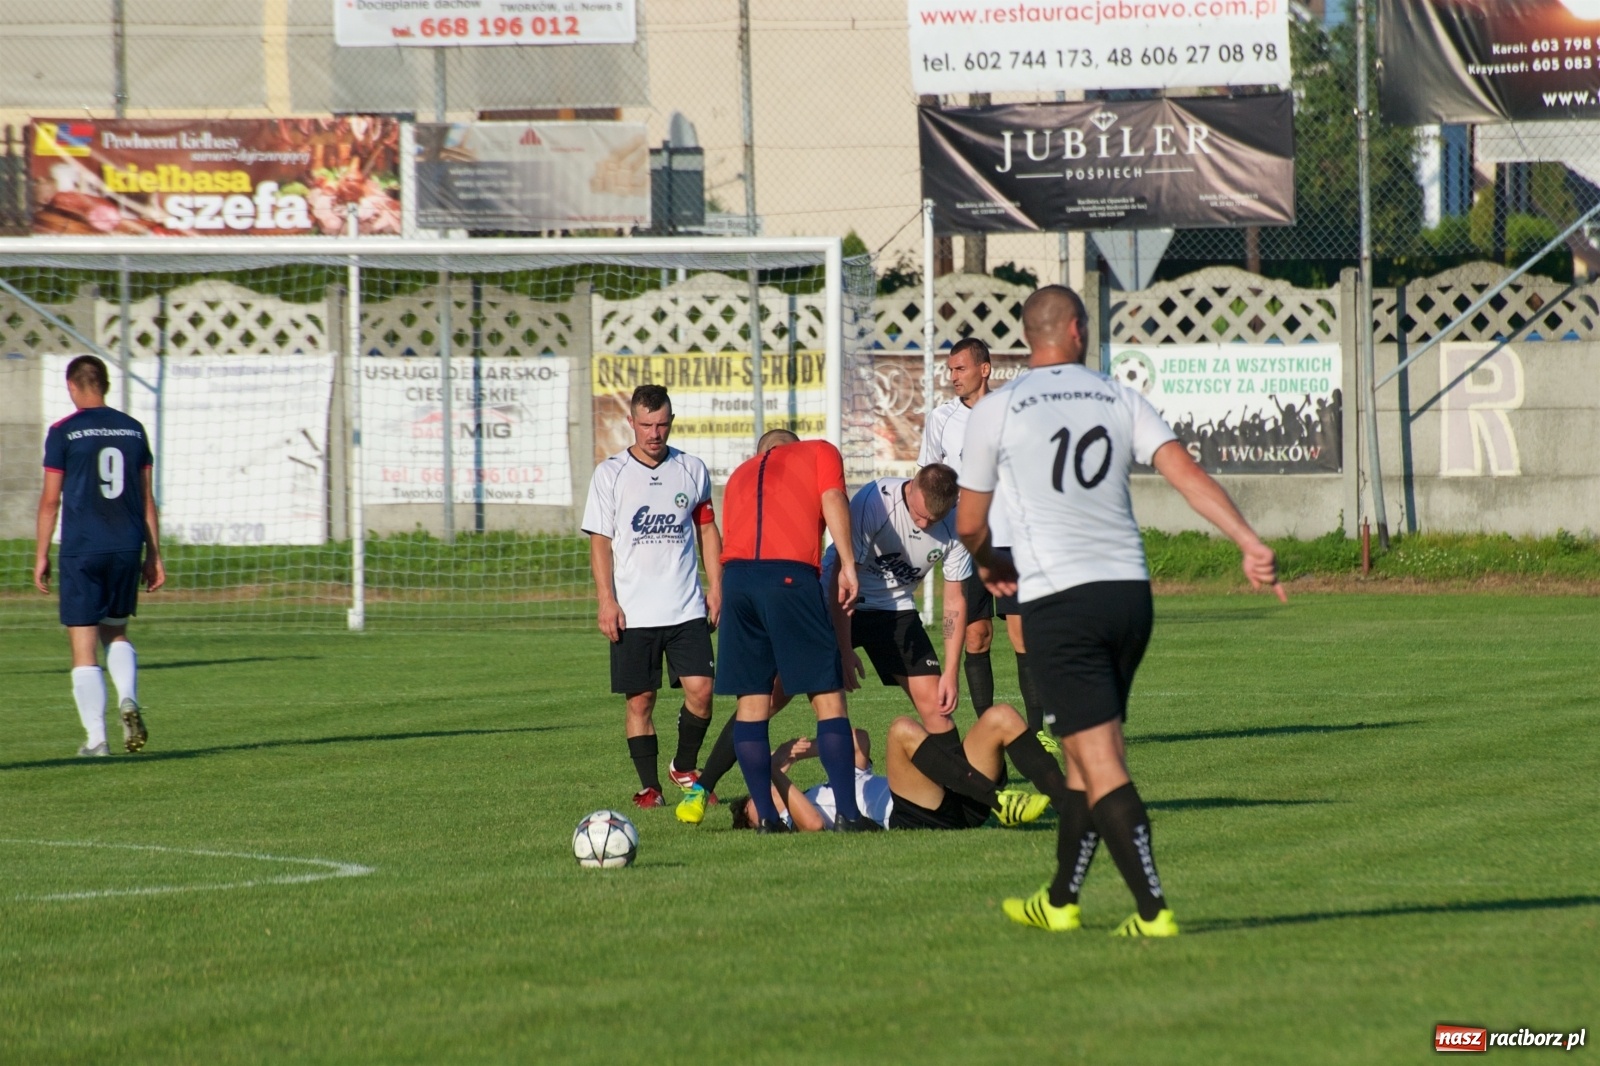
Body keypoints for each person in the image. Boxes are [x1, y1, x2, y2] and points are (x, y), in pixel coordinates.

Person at [956, 285, 1286, 938]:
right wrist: (1248, 541)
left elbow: (968, 522)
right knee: (1082, 758)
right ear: (1076, 329)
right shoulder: (1117, 396)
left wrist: (990, 559)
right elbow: (1185, 472)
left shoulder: (998, 408)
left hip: (1060, 600)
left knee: (1101, 760)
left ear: (1032, 336)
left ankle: (1153, 910)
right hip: (1128, 597)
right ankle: (1060, 898)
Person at [691, 427, 875, 834]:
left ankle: (768, 820)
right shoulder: (818, 452)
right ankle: (848, 814)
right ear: (794, 449)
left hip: (737, 580)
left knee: (751, 709)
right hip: (789, 577)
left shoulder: (740, 473)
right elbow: (832, 498)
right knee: (828, 701)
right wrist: (847, 563)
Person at [582, 384, 722, 809]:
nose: (654, 433)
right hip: (634, 611)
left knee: (702, 690)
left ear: (671, 421)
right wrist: (606, 600)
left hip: (685, 607)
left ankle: (683, 767)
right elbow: (600, 543)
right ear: (632, 423)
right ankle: (650, 788)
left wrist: (717, 586)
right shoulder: (610, 474)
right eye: (646, 425)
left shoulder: (692, 469)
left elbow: (707, 530)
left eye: (661, 424)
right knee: (641, 699)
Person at [34, 355, 164, 757]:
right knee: (117, 632)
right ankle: (128, 697)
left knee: (83, 645)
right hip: (127, 545)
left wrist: (41, 555)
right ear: (104, 385)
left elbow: (50, 501)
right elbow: (146, 499)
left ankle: (97, 739)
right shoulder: (133, 429)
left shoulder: (63, 432)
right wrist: (155, 555)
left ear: (72, 386)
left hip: (83, 549)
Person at [919, 338, 1046, 737]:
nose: (953, 377)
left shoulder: (1013, 414)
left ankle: (1039, 732)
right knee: (976, 636)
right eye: (950, 370)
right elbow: (928, 476)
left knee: (1021, 633)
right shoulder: (940, 419)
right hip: (964, 542)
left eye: (960, 369)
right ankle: (987, 732)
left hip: (1013, 540)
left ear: (985, 369)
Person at [726, 703, 1059, 832]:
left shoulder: (828, 787)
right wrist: (771, 769)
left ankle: (1070, 803)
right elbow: (813, 823)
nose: (764, 794)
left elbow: (858, 741)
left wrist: (802, 753)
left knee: (999, 717)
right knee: (901, 729)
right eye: (757, 803)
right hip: (913, 812)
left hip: (951, 795)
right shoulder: (793, 817)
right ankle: (999, 801)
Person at [822, 463, 971, 737]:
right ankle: (717, 772)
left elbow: (954, 603)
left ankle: (963, 780)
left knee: (938, 706)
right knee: (776, 693)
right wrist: (843, 651)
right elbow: (842, 580)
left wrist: (951, 673)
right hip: (842, 601)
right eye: (918, 514)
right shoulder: (875, 500)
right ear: (912, 486)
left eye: (933, 520)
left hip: (895, 608)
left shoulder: (959, 523)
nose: (924, 524)